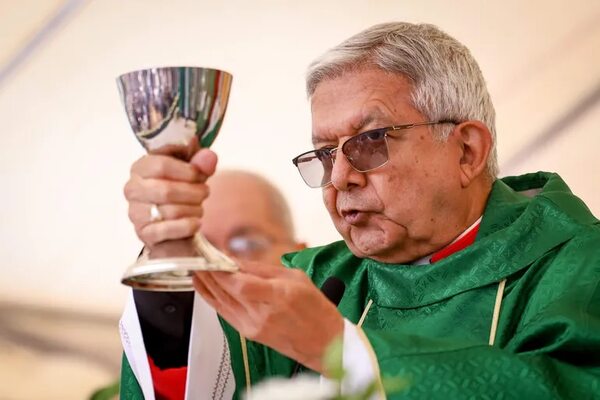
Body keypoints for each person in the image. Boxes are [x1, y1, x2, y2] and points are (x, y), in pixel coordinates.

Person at [121, 22, 600, 399]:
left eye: (370, 141)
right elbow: (200, 382)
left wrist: (341, 350)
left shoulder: (580, 267)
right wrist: (171, 249)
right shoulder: (311, 284)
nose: (339, 177)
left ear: (467, 152)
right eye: (325, 153)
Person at [118, 170, 305, 400]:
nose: (222, 266)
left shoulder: (349, 333)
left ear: (301, 255)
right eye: (203, 249)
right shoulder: (183, 346)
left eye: (246, 243)